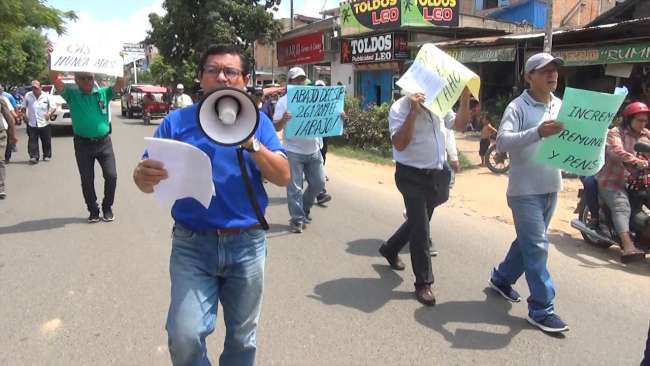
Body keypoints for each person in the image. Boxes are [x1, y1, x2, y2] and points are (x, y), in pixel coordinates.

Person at [133, 44, 289, 366]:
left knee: (242, 338)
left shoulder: (258, 122)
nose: (222, 77)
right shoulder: (176, 123)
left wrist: (251, 141)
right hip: (193, 245)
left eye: (230, 71)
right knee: (184, 335)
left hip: (246, 244)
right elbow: (145, 181)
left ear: (245, 79)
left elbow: (283, 177)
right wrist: (141, 175)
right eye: (213, 70)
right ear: (201, 78)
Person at [487, 53, 569, 333]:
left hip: (551, 187)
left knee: (528, 243)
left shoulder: (560, 105)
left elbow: (571, 142)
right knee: (537, 247)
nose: (552, 75)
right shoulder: (517, 106)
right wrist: (538, 132)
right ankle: (541, 308)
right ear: (529, 76)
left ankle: (501, 278)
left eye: (554, 70)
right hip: (524, 192)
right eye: (544, 70)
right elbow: (502, 142)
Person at [378, 82, 471, 306]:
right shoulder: (399, 109)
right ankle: (424, 283)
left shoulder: (440, 105)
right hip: (410, 175)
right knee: (421, 227)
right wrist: (413, 112)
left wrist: (465, 98)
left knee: (419, 220)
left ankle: (390, 248)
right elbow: (399, 144)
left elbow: (459, 125)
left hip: (435, 174)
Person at [49, 67, 124, 223]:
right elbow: (54, 79)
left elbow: (120, 83)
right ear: (76, 81)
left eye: (89, 78)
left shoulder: (103, 93)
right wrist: (52, 61)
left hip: (104, 143)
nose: (86, 81)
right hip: (83, 144)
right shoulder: (72, 94)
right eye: (82, 78)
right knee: (87, 179)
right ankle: (93, 210)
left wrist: (119, 65)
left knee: (111, 176)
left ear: (93, 78)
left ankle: (107, 207)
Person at [273, 67, 327, 233]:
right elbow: (275, 126)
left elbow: (326, 115)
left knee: (319, 183)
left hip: (313, 148)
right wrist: (284, 119)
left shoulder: (314, 98)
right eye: (296, 79)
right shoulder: (283, 102)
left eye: (302, 79)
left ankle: (304, 207)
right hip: (293, 151)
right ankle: (297, 219)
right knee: (294, 187)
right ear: (289, 82)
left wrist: (338, 117)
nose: (299, 82)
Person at [595, 101, 649, 263]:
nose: (643, 124)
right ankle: (628, 246)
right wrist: (635, 161)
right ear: (629, 119)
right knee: (622, 207)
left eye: (645, 120)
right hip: (613, 180)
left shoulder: (646, 135)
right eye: (639, 120)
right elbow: (616, 151)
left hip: (639, 181)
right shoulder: (616, 133)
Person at [23, 80, 56, 164]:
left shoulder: (47, 96)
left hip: (44, 122)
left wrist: (49, 113)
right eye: (33, 88)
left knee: (46, 140)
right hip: (32, 122)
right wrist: (24, 115)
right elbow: (23, 107)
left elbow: (53, 107)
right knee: (32, 140)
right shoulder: (28, 95)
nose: (34, 90)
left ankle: (47, 155)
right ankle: (34, 156)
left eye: (36, 88)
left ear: (40, 87)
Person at [0, 97, 18, 199]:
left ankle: (1, 188)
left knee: (0, 161)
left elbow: (9, 118)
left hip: (0, 135)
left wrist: (13, 135)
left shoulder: (1, 100)